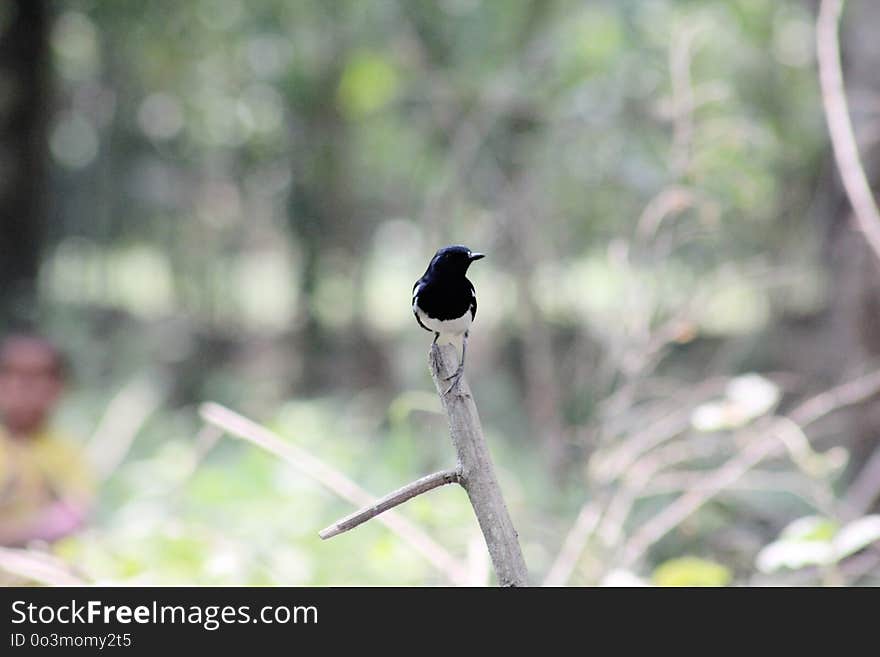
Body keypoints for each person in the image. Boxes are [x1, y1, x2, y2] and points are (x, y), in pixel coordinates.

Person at [0, 333, 94, 547]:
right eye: (12, 374)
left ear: (58, 387)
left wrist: (14, 534)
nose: (22, 387)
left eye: (36, 377)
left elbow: (73, 516)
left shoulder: (67, 454)